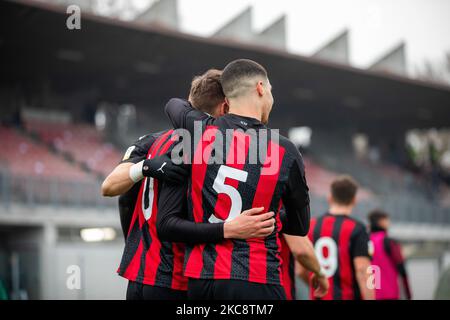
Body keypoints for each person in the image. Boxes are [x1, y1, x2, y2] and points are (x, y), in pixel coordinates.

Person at [101, 69, 275, 300]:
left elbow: (115, 191)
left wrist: (144, 167)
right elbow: (111, 186)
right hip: (178, 279)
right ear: (226, 106)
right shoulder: (213, 148)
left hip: (139, 277)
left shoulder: (151, 140)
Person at [162, 59, 311, 300]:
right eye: (271, 90)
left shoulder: (199, 129)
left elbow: (174, 105)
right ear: (261, 88)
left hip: (201, 282)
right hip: (256, 279)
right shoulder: (285, 149)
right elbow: (299, 225)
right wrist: (266, 219)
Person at [308, 175, 374, 300]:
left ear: (330, 198)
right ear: (354, 200)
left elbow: (301, 269)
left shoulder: (312, 226)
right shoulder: (358, 229)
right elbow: (362, 270)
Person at [368, 210, 412, 300]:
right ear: (382, 222)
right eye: (387, 220)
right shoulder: (390, 242)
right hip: (389, 294)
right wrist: (408, 294)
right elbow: (401, 268)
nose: (389, 223)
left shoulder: (364, 241)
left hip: (370, 294)